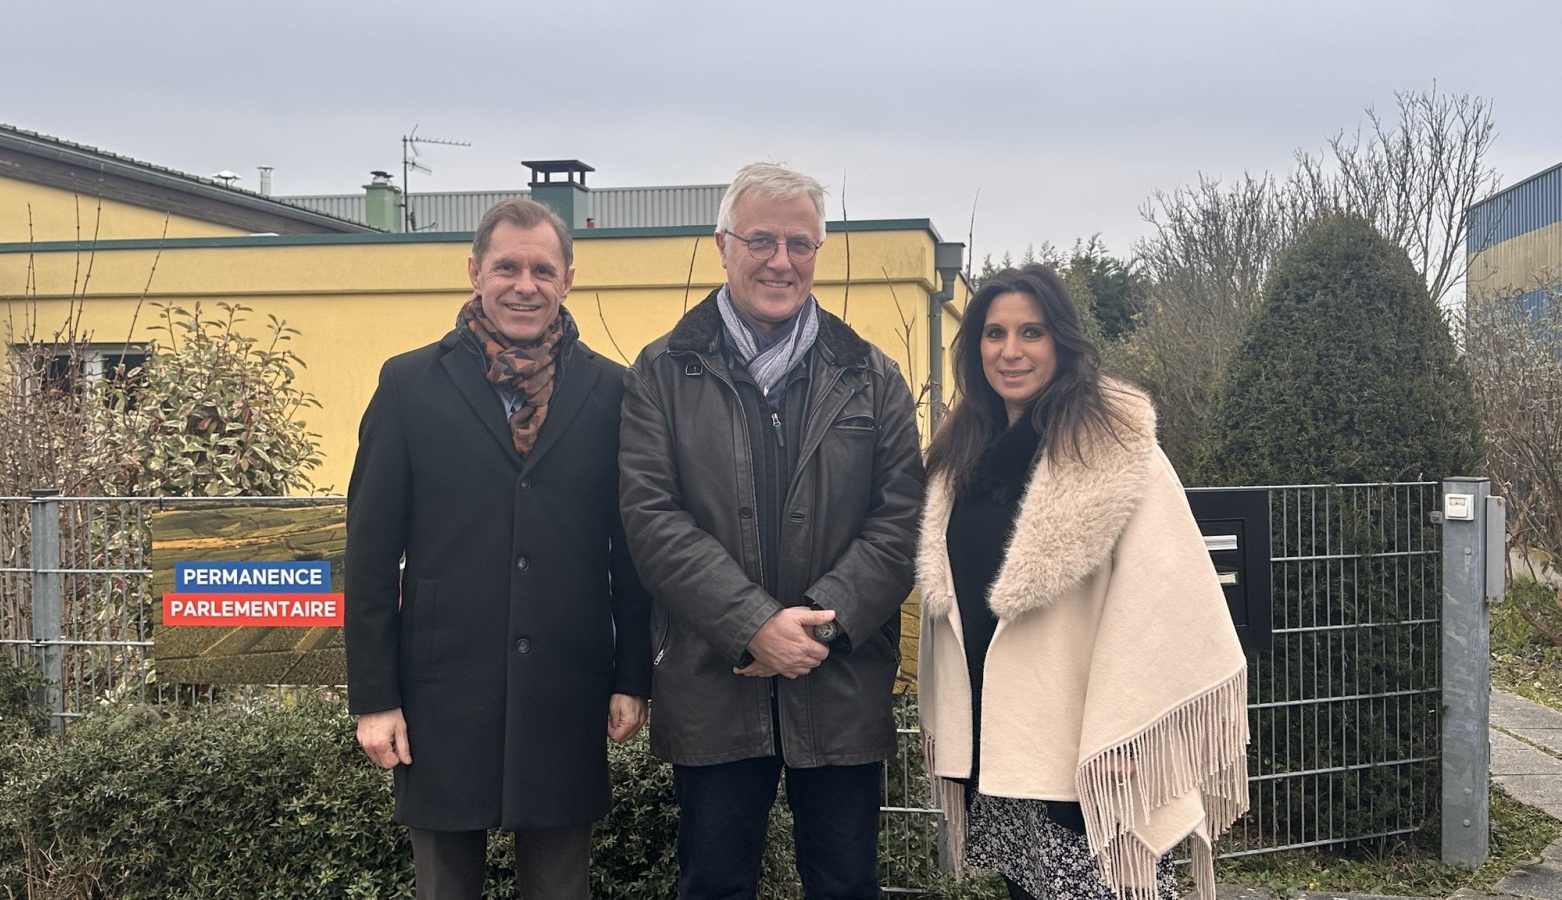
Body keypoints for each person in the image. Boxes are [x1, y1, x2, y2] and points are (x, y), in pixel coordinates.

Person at [618, 162, 925, 900]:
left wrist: (816, 629)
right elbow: (651, 519)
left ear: (818, 252)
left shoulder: (873, 375)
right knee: (714, 884)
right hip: (713, 680)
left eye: (800, 243)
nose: (780, 261)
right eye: (761, 240)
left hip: (840, 680)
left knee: (847, 885)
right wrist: (752, 625)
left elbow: (902, 520)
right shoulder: (661, 373)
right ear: (722, 245)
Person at [344, 198, 651, 900]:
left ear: (568, 279)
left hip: (567, 690)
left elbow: (632, 550)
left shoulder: (612, 391)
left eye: (543, 270)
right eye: (507, 267)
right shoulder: (409, 385)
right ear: (475, 271)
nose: (525, 285)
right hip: (440, 693)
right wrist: (374, 698)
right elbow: (369, 557)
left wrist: (632, 675)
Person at [916, 265, 1249, 900]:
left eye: (1031, 332)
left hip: (1091, 752)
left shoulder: (1115, 451)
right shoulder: (962, 457)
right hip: (1003, 742)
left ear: (1062, 342)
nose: (1010, 351)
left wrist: (1129, 730)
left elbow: (1164, 600)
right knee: (1026, 889)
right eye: (994, 333)